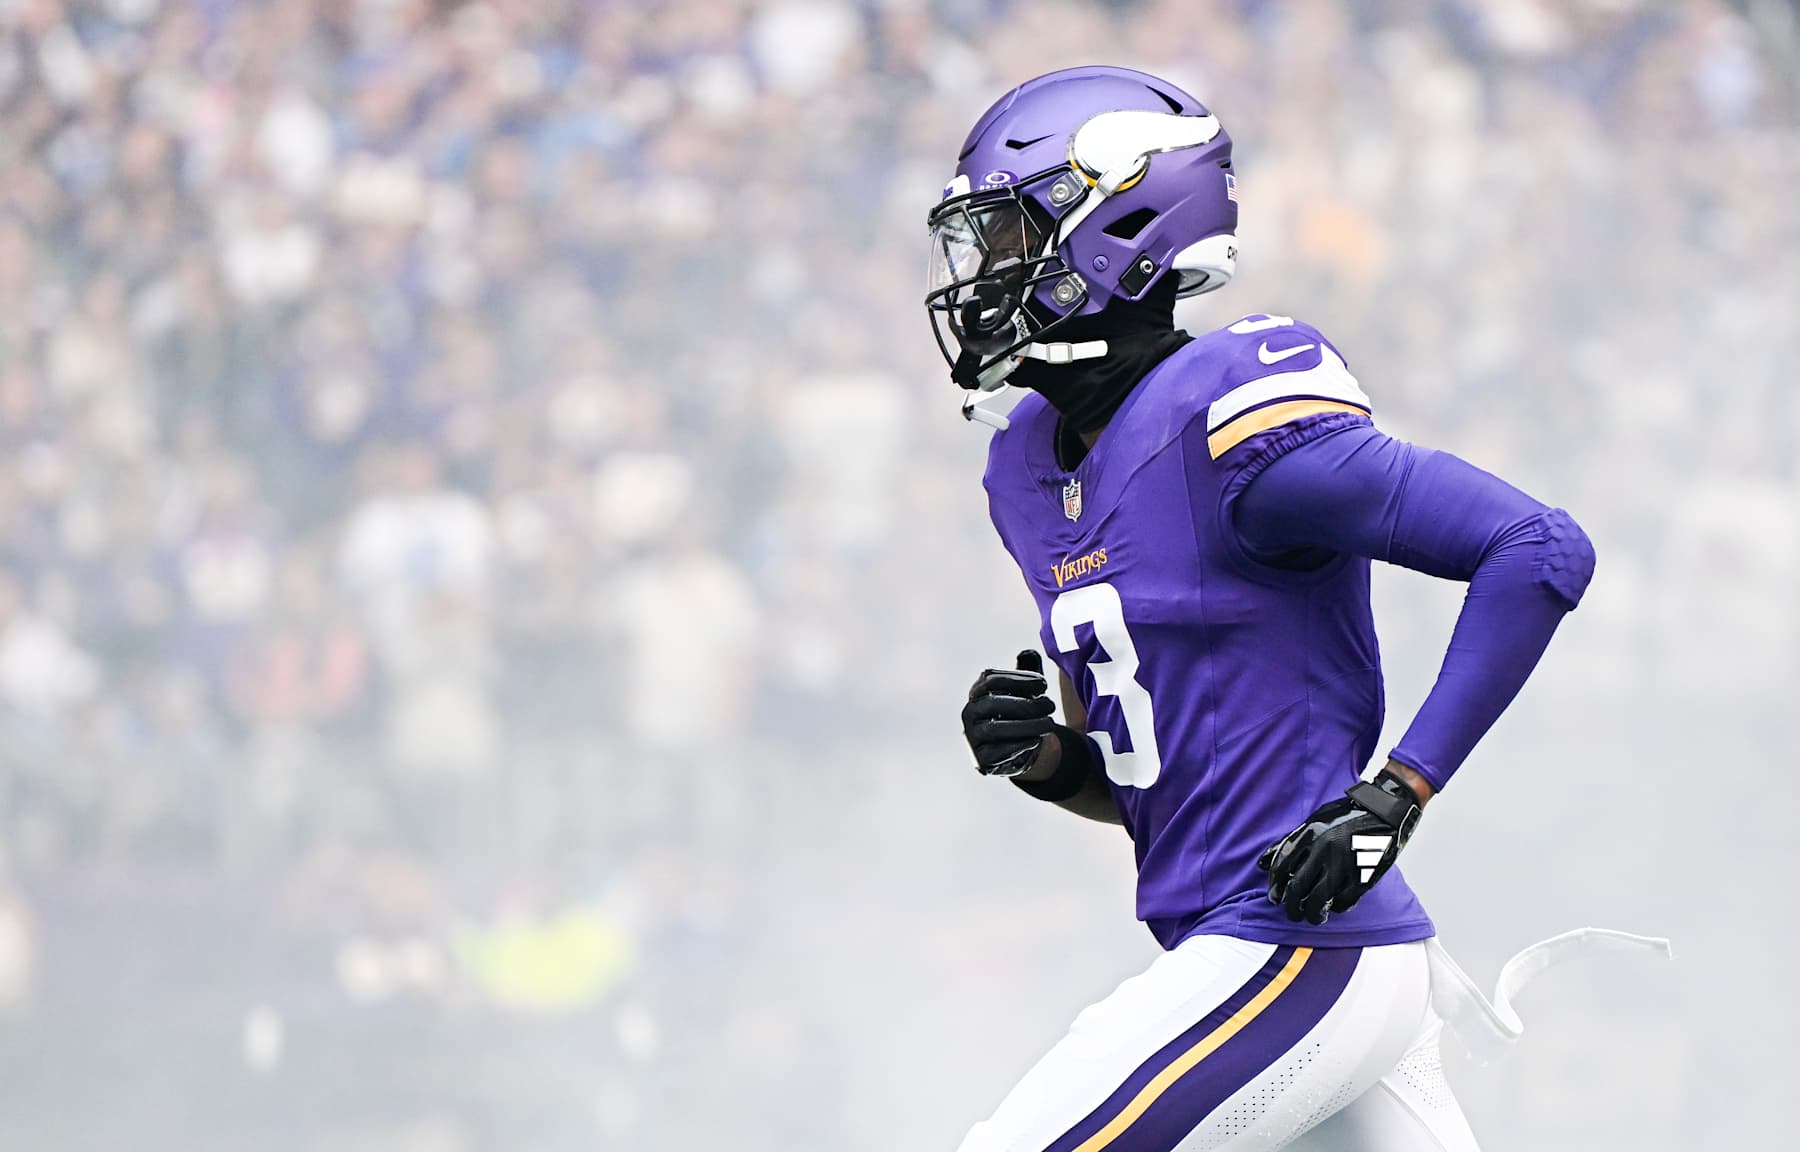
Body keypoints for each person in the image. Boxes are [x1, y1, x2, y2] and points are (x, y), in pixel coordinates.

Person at [933, 66, 1600, 1151]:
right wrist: (1052, 760)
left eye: (1008, 237)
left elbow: (1535, 548)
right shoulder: (1023, 468)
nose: (980, 273)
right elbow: (1159, 786)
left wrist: (1395, 795)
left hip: (1299, 950)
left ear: (1117, 225)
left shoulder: (1231, 419)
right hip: (1248, 951)